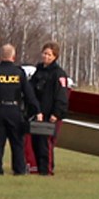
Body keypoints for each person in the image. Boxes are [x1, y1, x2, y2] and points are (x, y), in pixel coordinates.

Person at [0, 44, 43, 175]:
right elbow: (29, 94)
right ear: (14, 57)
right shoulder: (19, 73)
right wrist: (38, 110)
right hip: (15, 112)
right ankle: (19, 170)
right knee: (17, 143)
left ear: (1, 56)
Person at [26, 42, 69, 176]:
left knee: (45, 145)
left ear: (55, 56)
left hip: (50, 115)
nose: (46, 57)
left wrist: (56, 113)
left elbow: (62, 95)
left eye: (49, 55)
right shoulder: (38, 71)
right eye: (44, 53)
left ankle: (47, 171)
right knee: (35, 143)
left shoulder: (59, 74)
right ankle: (39, 168)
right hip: (36, 114)